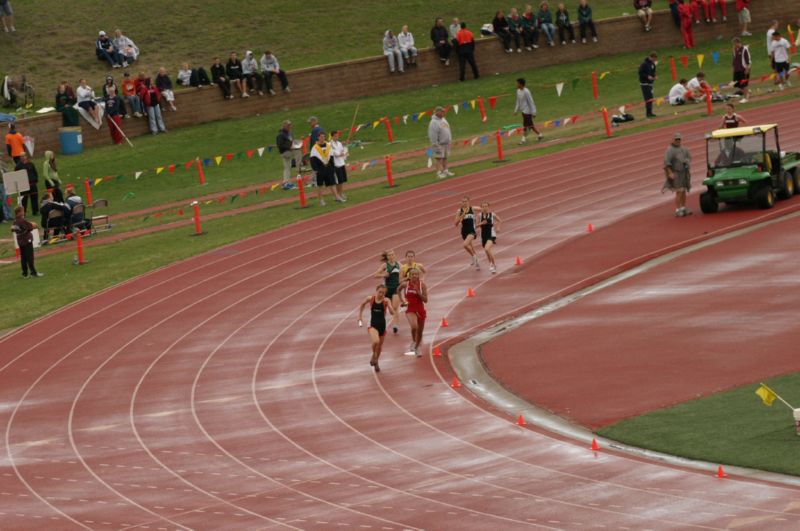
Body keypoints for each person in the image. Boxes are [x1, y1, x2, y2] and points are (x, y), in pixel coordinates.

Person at [358, 285, 395, 372]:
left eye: (383, 293)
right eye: (380, 292)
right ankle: (374, 355)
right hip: (372, 324)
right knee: (375, 341)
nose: (381, 294)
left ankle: (376, 361)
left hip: (382, 325)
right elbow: (362, 305)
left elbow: (392, 313)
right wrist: (360, 317)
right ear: (376, 291)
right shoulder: (370, 299)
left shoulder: (386, 301)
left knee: (379, 346)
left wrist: (389, 305)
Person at [398, 268, 427, 357]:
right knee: (414, 327)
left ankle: (417, 347)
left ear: (418, 276)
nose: (414, 276)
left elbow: (425, 300)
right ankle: (414, 342)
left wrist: (418, 291)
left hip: (420, 309)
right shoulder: (405, 285)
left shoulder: (422, 285)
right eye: (412, 274)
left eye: (416, 274)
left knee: (420, 332)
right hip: (410, 309)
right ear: (409, 276)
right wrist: (402, 301)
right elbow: (398, 290)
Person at [309, 132, 344, 205]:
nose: (322, 138)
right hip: (320, 168)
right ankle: (321, 200)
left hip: (329, 167)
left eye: (324, 137)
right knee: (320, 185)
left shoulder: (328, 145)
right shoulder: (314, 148)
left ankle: (337, 197)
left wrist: (332, 167)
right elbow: (312, 159)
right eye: (321, 137)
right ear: (318, 137)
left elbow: (331, 157)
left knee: (332, 183)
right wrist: (316, 169)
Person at [663, 132, 692, 217]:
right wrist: (670, 173)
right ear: (673, 140)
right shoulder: (669, 150)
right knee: (679, 191)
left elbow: (689, 157)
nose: (678, 141)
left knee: (683, 191)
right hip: (676, 173)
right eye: (676, 139)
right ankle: (678, 209)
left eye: (679, 139)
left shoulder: (684, 149)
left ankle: (683, 208)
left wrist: (687, 161)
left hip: (684, 172)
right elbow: (666, 163)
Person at [373, 251, 402, 335]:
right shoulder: (385, 265)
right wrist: (383, 275)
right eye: (389, 255)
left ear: (395, 256)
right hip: (386, 289)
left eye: (392, 254)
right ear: (387, 257)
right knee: (383, 308)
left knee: (395, 307)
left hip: (396, 288)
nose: (391, 256)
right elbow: (375, 275)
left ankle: (395, 325)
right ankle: (381, 325)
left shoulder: (399, 264)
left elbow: (404, 273)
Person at [11, 206, 42, 278]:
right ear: (19, 212)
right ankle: (33, 273)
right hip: (26, 240)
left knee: (23, 258)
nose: (23, 212)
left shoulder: (15, 221)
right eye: (22, 211)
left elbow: (13, 229)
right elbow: (30, 227)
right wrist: (34, 225)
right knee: (30, 257)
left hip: (20, 241)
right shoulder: (22, 220)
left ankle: (25, 273)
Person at [455, 196, 481, 269]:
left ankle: (474, 257)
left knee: (465, 245)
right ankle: (476, 261)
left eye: (465, 201)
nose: (464, 203)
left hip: (472, 230)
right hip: (464, 231)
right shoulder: (459, 211)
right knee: (471, 247)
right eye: (463, 201)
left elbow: (483, 210)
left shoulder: (472, 208)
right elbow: (456, 224)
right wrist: (461, 217)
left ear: (468, 202)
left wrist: (479, 220)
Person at [514, 78, 543, 144]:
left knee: (526, 126)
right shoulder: (518, 91)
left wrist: (534, 112)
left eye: (517, 83)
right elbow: (518, 101)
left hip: (528, 111)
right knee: (530, 125)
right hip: (523, 111)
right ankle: (540, 135)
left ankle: (523, 139)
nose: (516, 84)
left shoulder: (526, 91)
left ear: (521, 84)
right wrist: (516, 110)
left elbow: (531, 102)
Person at [428, 106, 454, 179]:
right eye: (442, 111)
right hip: (439, 144)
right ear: (437, 112)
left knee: (445, 157)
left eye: (444, 111)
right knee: (438, 158)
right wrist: (435, 144)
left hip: (446, 143)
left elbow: (447, 130)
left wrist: (449, 140)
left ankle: (445, 170)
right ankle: (439, 172)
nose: (444, 113)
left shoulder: (443, 120)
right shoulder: (433, 122)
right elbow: (433, 135)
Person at [276, 120, 300, 190]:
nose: (289, 126)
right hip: (285, 152)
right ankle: (298, 166)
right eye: (288, 125)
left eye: (290, 125)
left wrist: (294, 145)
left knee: (287, 167)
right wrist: (289, 147)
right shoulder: (281, 135)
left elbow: (292, 141)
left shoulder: (290, 133)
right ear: (284, 126)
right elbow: (280, 145)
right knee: (298, 151)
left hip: (288, 152)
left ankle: (286, 182)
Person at [479, 201, 501, 274]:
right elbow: (476, 225)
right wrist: (481, 223)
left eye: (486, 206)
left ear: (488, 207)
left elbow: (499, 220)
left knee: (487, 248)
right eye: (483, 206)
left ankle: (493, 265)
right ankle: (492, 264)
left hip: (491, 234)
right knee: (487, 251)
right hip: (483, 235)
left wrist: (498, 227)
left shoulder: (492, 214)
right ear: (481, 208)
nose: (484, 208)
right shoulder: (479, 215)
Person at [329, 129, 348, 200]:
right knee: (338, 181)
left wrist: (344, 151)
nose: (337, 137)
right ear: (332, 136)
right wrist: (340, 154)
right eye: (335, 136)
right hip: (336, 165)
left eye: (337, 136)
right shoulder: (330, 144)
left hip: (342, 163)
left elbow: (342, 151)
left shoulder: (339, 143)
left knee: (342, 180)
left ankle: (341, 193)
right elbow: (334, 153)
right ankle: (338, 194)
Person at [731, 37, 751, 103]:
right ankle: (747, 93)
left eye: (734, 43)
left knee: (743, 84)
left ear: (738, 42)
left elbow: (748, 59)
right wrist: (733, 68)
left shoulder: (744, 49)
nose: (733, 45)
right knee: (738, 84)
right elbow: (734, 60)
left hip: (743, 69)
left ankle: (746, 97)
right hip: (737, 70)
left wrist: (747, 68)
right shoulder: (734, 50)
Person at [639, 52, 658, 118]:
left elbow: (653, 71)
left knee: (651, 97)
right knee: (647, 98)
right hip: (644, 84)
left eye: (655, 59)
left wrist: (655, 76)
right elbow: (640, 73)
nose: (654, 60)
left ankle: (650, 112)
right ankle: (648, 113)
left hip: (650, 84)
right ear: (650, 57)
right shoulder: (644, 64)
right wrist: (647, 76)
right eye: (653, 59)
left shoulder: (653, 64)